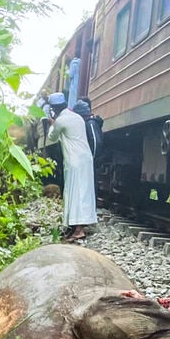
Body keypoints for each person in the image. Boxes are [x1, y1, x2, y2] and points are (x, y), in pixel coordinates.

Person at [45, 91, 98, 242]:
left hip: (74, 161)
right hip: (85, 159)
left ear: (54, 109)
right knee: (83, 192)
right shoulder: (77, 117)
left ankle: (78, 230)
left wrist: (51, 124)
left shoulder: (61, 121)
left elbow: (52, 137)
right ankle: (76, 227)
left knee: (74, 193)